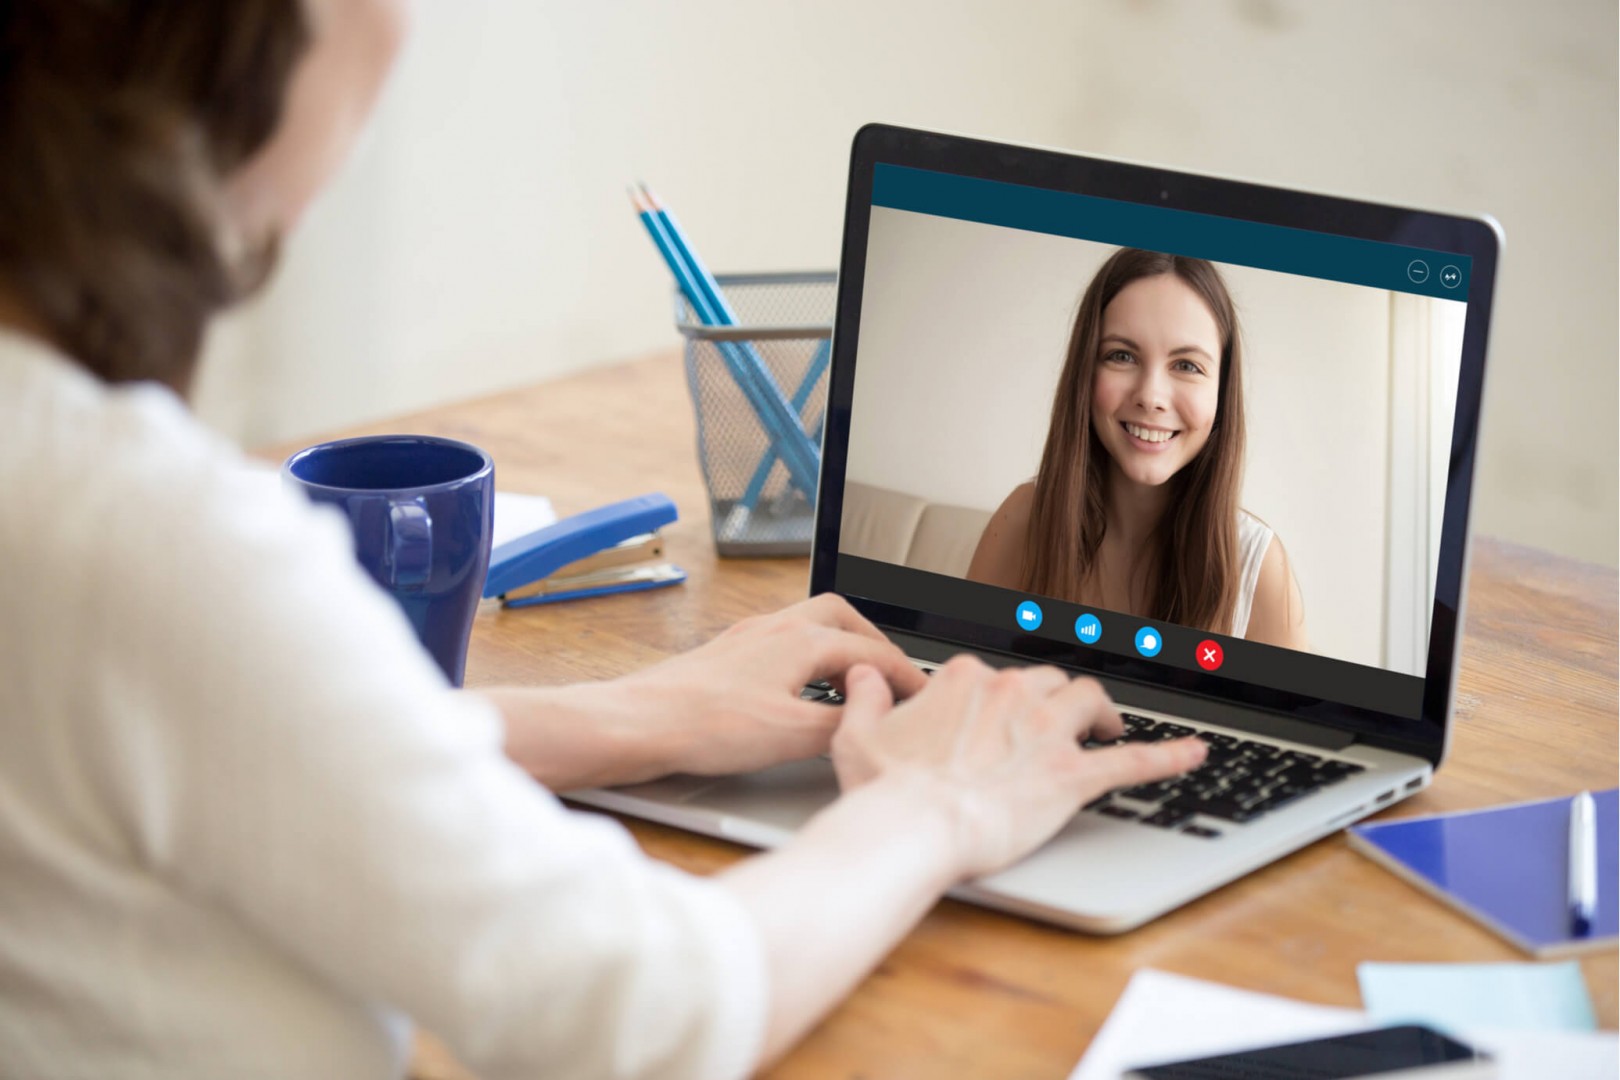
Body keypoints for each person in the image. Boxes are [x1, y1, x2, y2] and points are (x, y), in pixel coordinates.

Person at [0, 3, 1208, 1078]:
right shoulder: (143, 542)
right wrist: (934, 806)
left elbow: (202, 740)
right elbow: (639, 1013)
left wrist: (620, 716)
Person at [966, 248, 1308, 649]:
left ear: (1222, 390)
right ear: (1085, 371)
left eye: (1186, 365)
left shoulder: (1260, 568)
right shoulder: (1023, 520)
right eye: (1121, 356)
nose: (1151, 396)